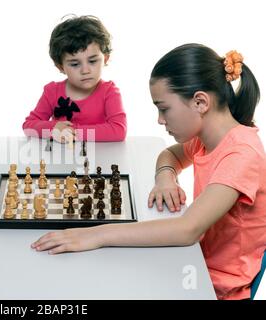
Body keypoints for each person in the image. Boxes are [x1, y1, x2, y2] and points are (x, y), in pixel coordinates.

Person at [31, 44, 266, 300]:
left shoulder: (241, 154)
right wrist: (165, 176)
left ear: (200, 102)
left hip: (212, 288)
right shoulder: (209, 137)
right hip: (190, 262)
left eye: (164, 108)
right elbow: (172, 154)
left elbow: (188, 229)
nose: (160, 120)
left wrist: (97, 233)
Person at [22, 15, 127, 143]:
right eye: (75, 64)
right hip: (59, 159)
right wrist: (53, 128)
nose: (85, 70)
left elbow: (118, 131)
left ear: (105, 59)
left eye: (92, 61)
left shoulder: (109, 92)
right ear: (60, 67)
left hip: (98, 158)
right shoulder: (51, 91)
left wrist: (73, 132)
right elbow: (28, 126)